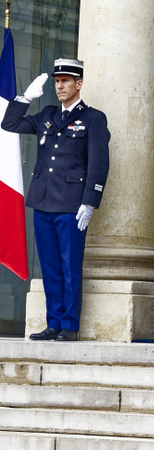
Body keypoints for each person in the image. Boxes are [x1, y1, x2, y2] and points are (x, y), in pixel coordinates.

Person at [1, 58, 110, 341]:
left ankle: (69, 326)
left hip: (72, 205)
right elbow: (9, 123)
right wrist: (24, 98)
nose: (60, 86)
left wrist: (90, 201)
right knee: (50, 266)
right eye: (57, 81)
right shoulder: (47, 114)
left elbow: (99, 163)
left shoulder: (93, 118)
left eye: (66, 81)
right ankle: (54, 322)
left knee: (70, 265)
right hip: (44, 201)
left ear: (79, 84)